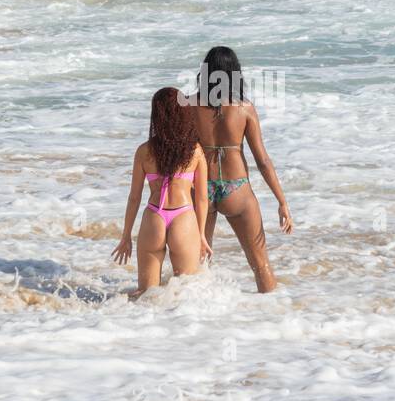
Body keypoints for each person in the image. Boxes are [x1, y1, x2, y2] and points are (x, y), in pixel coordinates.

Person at [190, 46, 292, 292]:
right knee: (260, 265)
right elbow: (263, 160)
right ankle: (272, 316)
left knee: (198, 263)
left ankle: (192, 319)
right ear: (234, 74)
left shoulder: (189, 106)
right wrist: (282, 201)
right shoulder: (244, 108)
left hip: (201, 188)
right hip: (237, 188)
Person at [112, 87, 212, 294]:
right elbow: (202, 198)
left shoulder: (144, 151)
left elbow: (134, 197)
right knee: (185, 294)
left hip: (153, 218)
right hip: (183, 217)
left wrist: (126, 236)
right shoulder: (195, 151)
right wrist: (201, 234)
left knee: (146, 295)